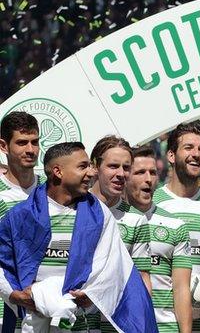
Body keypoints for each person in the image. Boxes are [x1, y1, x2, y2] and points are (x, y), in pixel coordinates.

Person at [0, 142, 157, 332]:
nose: (90, 173)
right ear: (58, 171)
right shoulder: (20, 214)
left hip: (80, 324)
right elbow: (3, 263)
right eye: (82, 167)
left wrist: (91, 294)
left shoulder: (99, 214)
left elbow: (112, 266)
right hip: (27, 320)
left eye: (90, 166)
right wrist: (14, 295)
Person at [152, 122, 200, 332]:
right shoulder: (152, 203)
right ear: (171, 156)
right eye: (188, 148)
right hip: (161, 323)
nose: (196, 154)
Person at [125, 146, 193, 333]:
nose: (148, 179)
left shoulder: (175, 225)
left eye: (153, 172)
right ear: (125, 176)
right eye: (140, 172)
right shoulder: (110, 220)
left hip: (165, 328)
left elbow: (181, 289)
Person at [90, 136, 152, 290]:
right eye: (113, 166)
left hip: (113, 312)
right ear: (94, 166)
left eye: (126, 167)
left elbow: (142, 278)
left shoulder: (137, 220)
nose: (120, 173)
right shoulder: (73, 208)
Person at [0, 111, 41, 330]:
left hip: (45, 307)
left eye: (35, 142)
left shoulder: (51, 189)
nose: (30, 150)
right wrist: (10, 292)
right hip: (5, 309)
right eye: (22, 142)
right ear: (4, 146)